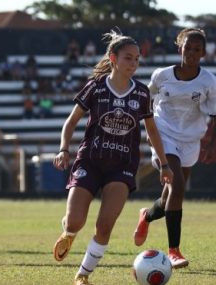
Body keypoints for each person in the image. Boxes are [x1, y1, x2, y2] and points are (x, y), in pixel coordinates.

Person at [52, 30, 173, 285]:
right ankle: (69, 231)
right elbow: (71, 121)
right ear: (113, 58)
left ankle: (83, 275)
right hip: (90, 161)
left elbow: (152, 131)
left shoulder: (141, 93)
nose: (134, 63)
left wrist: (164, 164)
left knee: (105, 225)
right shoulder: (96, 87)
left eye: (137, 59)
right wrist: (64, 149)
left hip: (122, 166)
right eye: (128, 58)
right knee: (75, 221)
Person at [133, 28, 216, 269]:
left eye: (197, 49)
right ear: (180, 49)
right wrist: (148, 131)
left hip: (190, 140)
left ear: (204, 53)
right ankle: (173, 251)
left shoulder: (210, 82)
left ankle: (147, 216)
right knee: (177, 185)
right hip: (163, 135)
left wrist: (213, 143)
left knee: (168, 199)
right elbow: (145, 99)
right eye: (188, 48)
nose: (192, 53)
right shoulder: (161, 76)